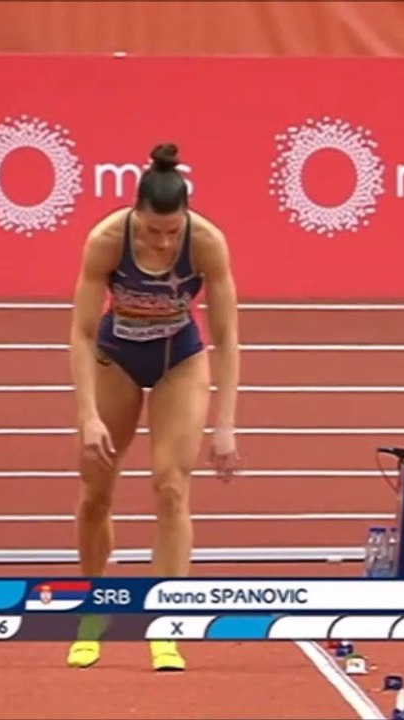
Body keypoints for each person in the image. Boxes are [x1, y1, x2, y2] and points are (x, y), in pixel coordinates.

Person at [65, 143, 241, 672]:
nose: (162, 243)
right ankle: (93, 614)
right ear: (135, 215)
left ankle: (164, 623)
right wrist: (87, 416)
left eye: (171, 232)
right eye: (151, 231)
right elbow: (79, 331)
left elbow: (229, 339)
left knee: (170, 486)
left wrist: (226, 425)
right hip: (115, 359)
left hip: (178, 361)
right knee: (97, 490)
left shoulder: (207, 243)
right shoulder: (106, 241)